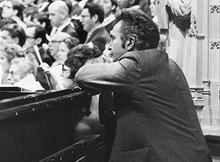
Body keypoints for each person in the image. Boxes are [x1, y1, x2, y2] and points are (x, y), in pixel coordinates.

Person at [75, 8, 212, 162]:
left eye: (112, 38)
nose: (108, 45)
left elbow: (82, 76)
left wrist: (103, 59)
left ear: (130, 42)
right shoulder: (163, 62)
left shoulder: (137, 64)